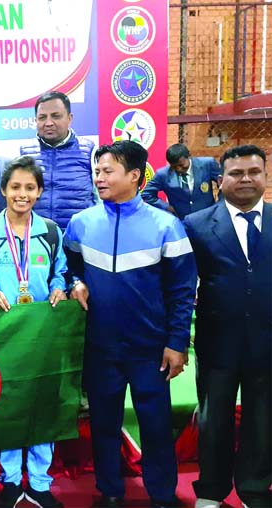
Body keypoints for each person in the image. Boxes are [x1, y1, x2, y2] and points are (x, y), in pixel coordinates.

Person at [63, 141, 197, 508]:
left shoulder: (166, 226)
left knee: (155, 426)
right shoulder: (80, 224)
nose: (99, 177)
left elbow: (183, 292)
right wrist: (74, 282)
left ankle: (162, 494)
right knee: (104, 425)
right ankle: (109, 491)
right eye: (97, 171)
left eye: (108, 171)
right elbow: (68, 268)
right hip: (100, 347)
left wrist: (177, 343)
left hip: (149, 349)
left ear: (134, 175)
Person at [183, 145, 271, 508]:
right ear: (221, 181)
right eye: (237, 173)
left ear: (265, 177)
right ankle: (211, 490)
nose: (246, 179)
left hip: (268, 343)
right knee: (213, 420)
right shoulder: (197, 225)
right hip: (217, 342)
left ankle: (254, 489)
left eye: (254, 172)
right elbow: (184, 286)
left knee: (263, 421)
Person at [0, 156, 68, 508]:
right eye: (16, 187)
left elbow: (60, 272)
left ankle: (38, 481)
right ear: (4, 190)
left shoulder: (51, 232)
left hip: (40, 334)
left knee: (41, 406)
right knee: (5, 406)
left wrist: (59, 287)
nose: (22, 194)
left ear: (39, 192)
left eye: (30, 188)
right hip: (1, 334)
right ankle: (8, 480)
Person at [20, 91, 96, 230]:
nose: (48, 123)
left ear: (69, 118)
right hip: (38, 240)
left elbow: (101, 199)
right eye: (42, 117)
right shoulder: (25, 153)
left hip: (79, 240)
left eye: (56, 116)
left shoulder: (90, 151)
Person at [142, 143, 221, 220]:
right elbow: (146, 194)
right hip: (181, 221)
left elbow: (223, 185)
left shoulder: (207, 164)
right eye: (174, 166)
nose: (178, 169)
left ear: (188, 156)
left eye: (181, 165)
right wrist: (166, 207)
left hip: (207, 219)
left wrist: (219, 205)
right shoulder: (163, 174)